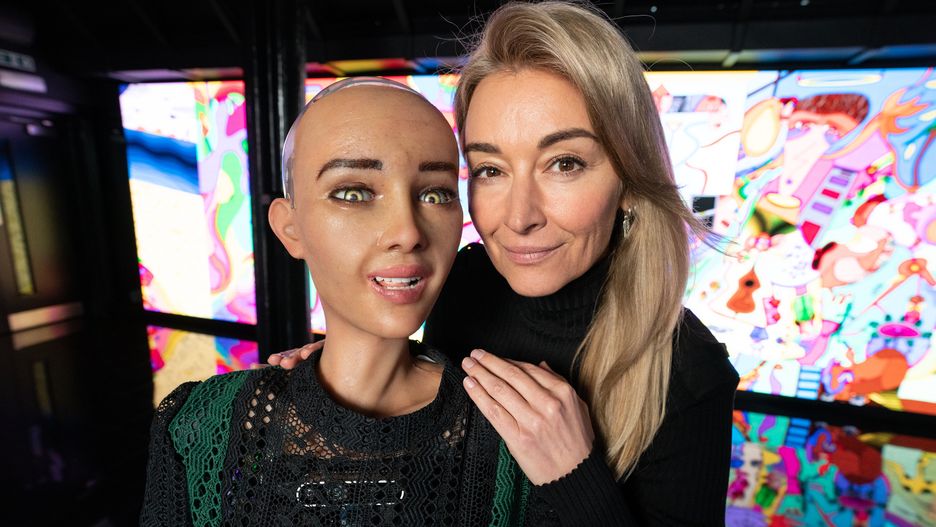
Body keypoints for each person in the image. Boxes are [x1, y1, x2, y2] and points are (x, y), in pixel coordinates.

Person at [271, 2, 741, 526]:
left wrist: (575, 476)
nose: (519, 218)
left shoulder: (689, 371)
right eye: (490, 169)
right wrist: (349, 370)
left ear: (629, 180)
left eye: (564, 164)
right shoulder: (467, 283)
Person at [140, 78, 530, 526]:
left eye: (435, 193)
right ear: (290, 229)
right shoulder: (199, 424)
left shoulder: (514, 432)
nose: (407, 232)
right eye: (354, 194)